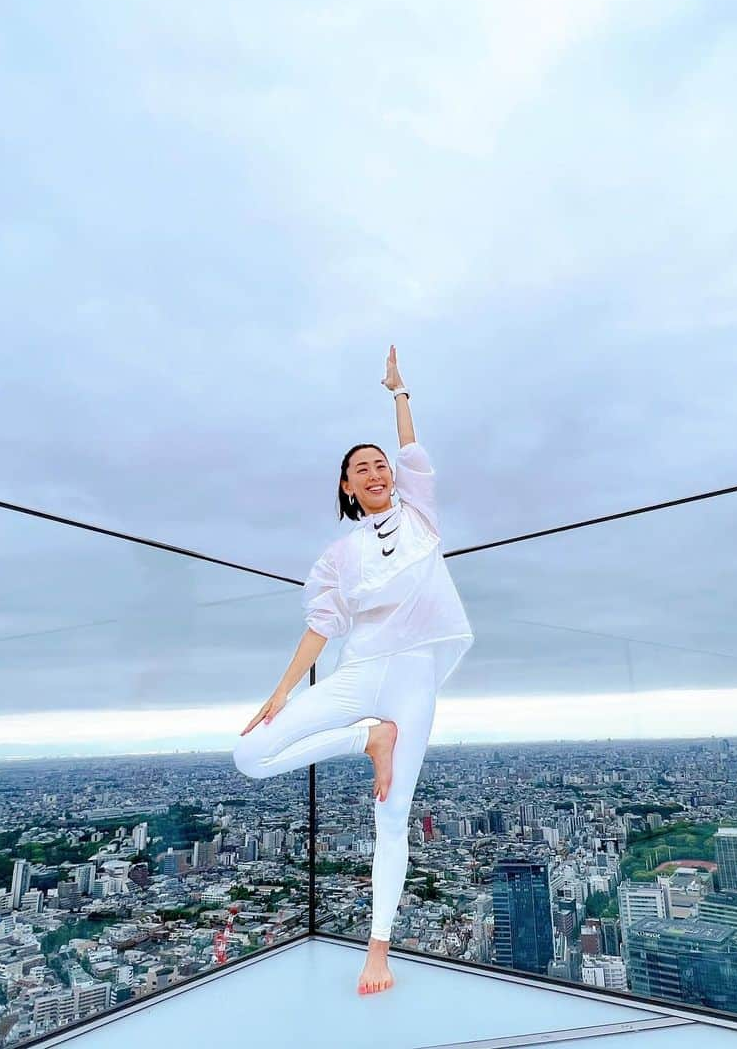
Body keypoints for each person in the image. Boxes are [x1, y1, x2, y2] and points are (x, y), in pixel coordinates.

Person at [232, 345, 475, 995]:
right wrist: (280, 691)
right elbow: (322, 627)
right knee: (249, 753)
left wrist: (400, 393)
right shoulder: (342, 553)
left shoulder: (420, 516)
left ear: (392, 477)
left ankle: (377, 952)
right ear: (346, 486)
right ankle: (367, 739)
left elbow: (414, 450)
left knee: (392, 817)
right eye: (359, 469)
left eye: (380, 466)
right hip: (359, 670)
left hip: (413, 676)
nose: (374, 472)